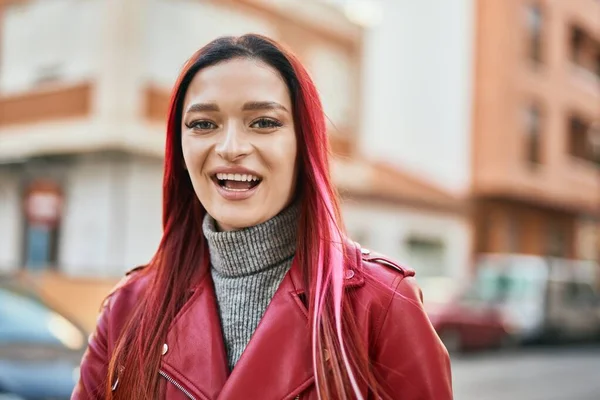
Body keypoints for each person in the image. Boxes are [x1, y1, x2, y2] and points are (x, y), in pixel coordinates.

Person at [72, 34, 452, 400]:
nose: (231, 148)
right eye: (203, 124)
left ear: (304, 143)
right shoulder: (128, 309)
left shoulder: (380, 305)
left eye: (264, 122)